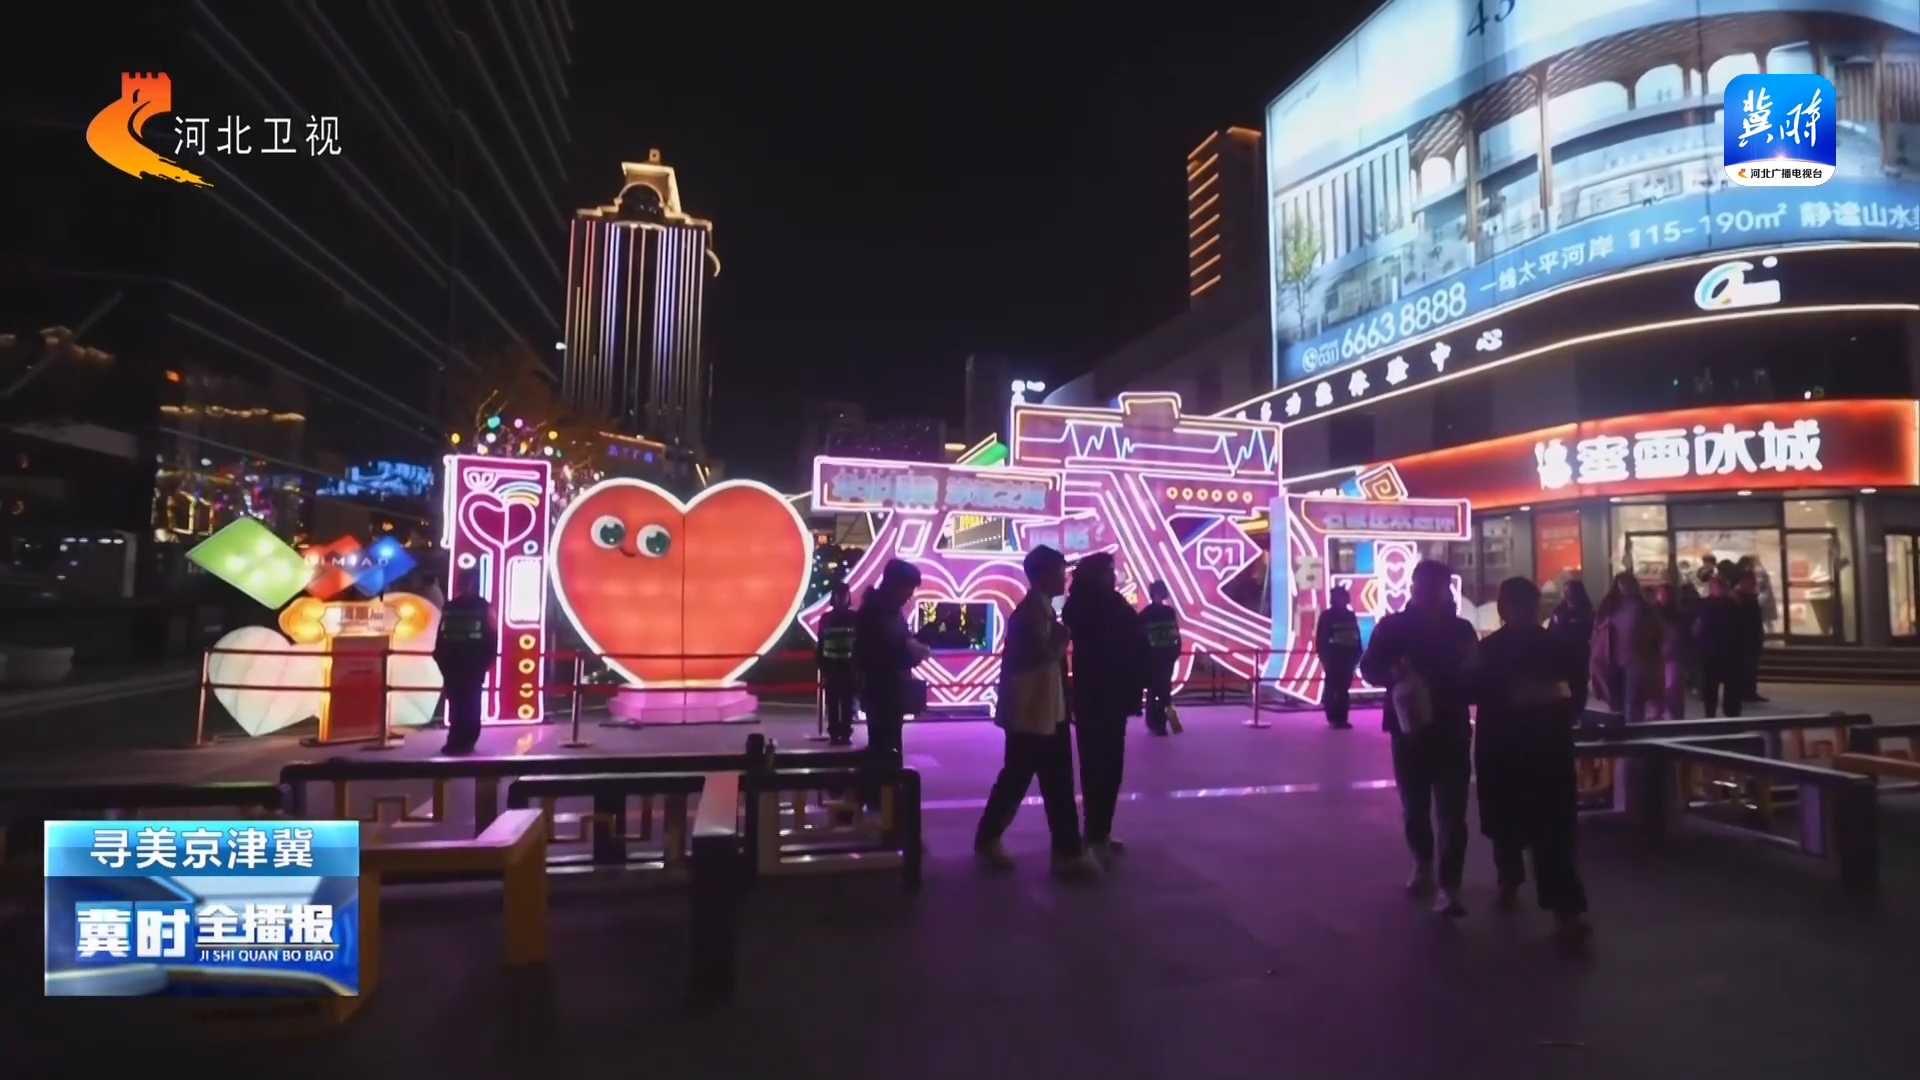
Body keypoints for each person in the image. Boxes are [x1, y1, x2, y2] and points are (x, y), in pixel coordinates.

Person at [1470, 577, 1591, 943]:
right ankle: (1564, 911)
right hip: (1546, 747)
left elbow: (1470, 689)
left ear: (1502, 608)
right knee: (1552, 830)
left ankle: (1512, 881)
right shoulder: (1556, 646)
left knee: (1507, 820)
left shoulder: (1490, 649)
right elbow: (1577, 691)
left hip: (1503, 747)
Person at [1358, 559, 1478, 916]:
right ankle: (1424, 864)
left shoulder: (1460, 629)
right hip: (1410, 725)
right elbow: (1369, 668)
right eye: (1426, 587)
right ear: (1414, 587)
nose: (1431, 594)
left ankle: (1448, 884)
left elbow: (1475, 672)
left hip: (1447, 725)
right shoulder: (1393, 627)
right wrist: (1393, 671)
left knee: (1451, 809)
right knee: (1416, 804)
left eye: (1436, 587)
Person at [975, 546, 1100, 878]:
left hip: (1043, 712)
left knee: (1042, 781)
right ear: (1043, 575)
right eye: (1060, 571)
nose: (1065, 577)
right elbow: (1038, 656)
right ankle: (1058, 851)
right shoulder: (1031, 614)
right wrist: (1061, 639)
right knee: (1030, 780)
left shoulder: (1037, 610)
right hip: (1033, 714)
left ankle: (1063, 849)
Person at [1061, 552, 1147, 863]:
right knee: (1100, 766)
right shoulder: (1094, 606)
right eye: (1110, 571)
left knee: (1107, 767)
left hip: (1103, 693)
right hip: (1101, 691)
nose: (1114, 576)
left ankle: (1100, 831)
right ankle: (1095, 832)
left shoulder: (1092, 605)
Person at [855, 559, 932, 803]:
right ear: (894, 584)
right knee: (883, 746)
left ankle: (883, 796)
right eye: (908, 588)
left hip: (890, 690)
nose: (910, 595)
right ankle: (878, 797)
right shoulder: (875, 613)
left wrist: (913, 645)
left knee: (888, 744)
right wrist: (909, 652)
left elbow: (898, 644)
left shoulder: (890, 611)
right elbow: (878, 654)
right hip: (881, 691)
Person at [433, 572, 497, 755]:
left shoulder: (451, 607)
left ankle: (459, 739)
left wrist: (440, 657)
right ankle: (465, 739)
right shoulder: (483, 607)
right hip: (471, 662)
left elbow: (441, 636)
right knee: (468, 701)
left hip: (456, 662)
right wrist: (487, 659)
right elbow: (492, 635)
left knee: (459, 702)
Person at [1599, 572, 1662, 725]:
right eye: (1621, 584)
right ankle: (1623, 729)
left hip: (1635, 660)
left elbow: (1654, 633)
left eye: (1627, 584)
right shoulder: (1612, 605)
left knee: (1632, 702)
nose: (1624, 587)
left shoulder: (1642, 608)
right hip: (1614, 659)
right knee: (1618, 702)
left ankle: (1633, 731)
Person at [1693, 572, 1745, 718]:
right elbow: (1699, 627)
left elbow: (1739, 629)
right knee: (1712, 688)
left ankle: (1730, 715)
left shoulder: (1732, 605)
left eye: (1719, 586)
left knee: (1729, 688)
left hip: (1727, 651)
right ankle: (1713, 715)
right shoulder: (1707, 604)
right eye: (1715, 586)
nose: (1717, 589)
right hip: (1712, 652)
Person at [1314, 585, 1363, 729]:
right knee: (1333, 688)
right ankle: (1333, 718)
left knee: (1343, 689)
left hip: (1347, 657)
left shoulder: (1350, 615)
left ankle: (1342, 718)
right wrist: (1325, 656)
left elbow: (1356, 635)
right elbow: (1322, 638)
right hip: (1334, 657)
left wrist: (1357, 653)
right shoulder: (1327, 616)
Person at [816, 582, 859, 745]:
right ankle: (834, 734)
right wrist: (822, 666)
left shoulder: (854, 618)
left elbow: (859, 643)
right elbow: (821, 643)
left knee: (847, 703)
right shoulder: (826, 618)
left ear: (848, 597)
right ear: (834, 597)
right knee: (833, 703)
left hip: (849, 667)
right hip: (832, 667)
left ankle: (846, 733)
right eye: (839, 595)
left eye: (844, 595)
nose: (841, 598)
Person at [1549, 580, 1595, 716]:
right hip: (1561, 654)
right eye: (1565, 591)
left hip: (1579, 654)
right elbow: (1552, 630)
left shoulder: (1585, 612)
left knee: (1579, 686)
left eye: (1570, 591)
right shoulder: (1559, 611)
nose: (1567, 594)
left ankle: (1577, 712)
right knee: (1562, 687)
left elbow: (1590, 631)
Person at [1141, 580, 1181, 736]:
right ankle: (1167, 723)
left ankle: (1157, 723)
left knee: (1155, 690)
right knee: (1163, 690)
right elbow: (1175, 634)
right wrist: (1175, 650)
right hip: (1165, 656)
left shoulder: (1146, 613)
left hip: (1155, 657)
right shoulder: (1168, 612)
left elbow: (1141, 637)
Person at [1734, 569, 1767, 705]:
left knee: (1752, 666)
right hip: (1743, 638)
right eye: (1750, 581)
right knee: (1745, 666)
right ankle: (1744, 692)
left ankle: (1750, 692)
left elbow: (1756, 619)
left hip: (1753, 637)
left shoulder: (1751, 597)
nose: (1753, 583)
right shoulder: (1738, 597)